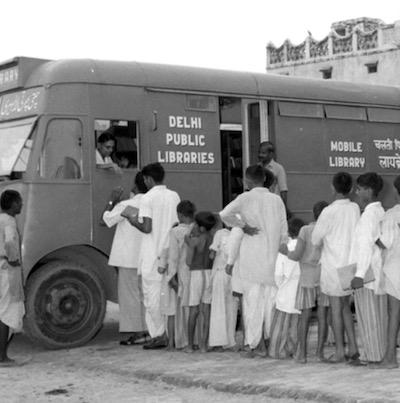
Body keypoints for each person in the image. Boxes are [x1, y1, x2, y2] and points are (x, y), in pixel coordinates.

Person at [220, 165, 287, 358]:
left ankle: (255, 345)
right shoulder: (276, 200)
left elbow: (224, 214)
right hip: (272, 259)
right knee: (270, 304)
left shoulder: (245, 197)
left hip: (252, 260)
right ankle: (270, 342)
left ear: (247, 181)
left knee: (252, 304)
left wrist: (243, 226)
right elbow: (284, 229)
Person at [125, 162, 180, 349]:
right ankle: (170, 333)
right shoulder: (174, 196)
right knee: (168, 295)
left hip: (152, 255)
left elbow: (147, 227)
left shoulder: (147, 198)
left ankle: (158, 334)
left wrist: (133, 221)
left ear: (148, 179)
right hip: (169, 252)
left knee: (151, 297)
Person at [312, 172, 360, 364]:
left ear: (333, 188)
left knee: (335, 309)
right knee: (346, 308)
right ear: (350, 188)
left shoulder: (329, 211)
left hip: (333, 264)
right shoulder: (355, 208)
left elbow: (316, 238)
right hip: (351, 264)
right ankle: (353, 347)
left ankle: (340, 350)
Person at [280, 201, 329, 363]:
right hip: (323, 277)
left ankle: (302, 354)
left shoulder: (306, 230)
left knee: (305, 316)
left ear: (313, 213)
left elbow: (296, 255)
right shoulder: (328, 230)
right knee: (323, 316)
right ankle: (320, 353)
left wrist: (286, 252)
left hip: (307, 277)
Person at [102, 172, 148, 346]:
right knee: (145, 295)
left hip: (128, 258)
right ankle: (150, 330)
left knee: (130, 297)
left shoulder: (126, 205)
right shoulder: (150, 204)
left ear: (135, 188)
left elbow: (105, 220)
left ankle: (138, 332)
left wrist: (112, 200)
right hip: (145, 257)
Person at [350, 172, 387, 365]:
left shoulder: (368, 216)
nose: (357, 192)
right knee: (379, 316)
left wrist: (359, 275)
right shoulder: (380, 212)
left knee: (368, 316)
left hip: (367, 274)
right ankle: (377, 353)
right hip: (378, 272)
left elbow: (365, 247)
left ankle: (372, 356)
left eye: (360, 189)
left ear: (369, 191)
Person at [371, 175, 400, 369]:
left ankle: (390, 357)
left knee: (394, 313)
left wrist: (372, 237)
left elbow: (384, 242)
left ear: (397, 191)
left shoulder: (392, 215)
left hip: (395, 269)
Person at [269, 217, 303, 359]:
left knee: (281, 324)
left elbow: (278, 274)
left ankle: (277, 350)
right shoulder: (303, 247)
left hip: (285, 288)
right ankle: (294, 350)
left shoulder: (285, 248)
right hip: (300, 289)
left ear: (288, 232)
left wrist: (280, 286)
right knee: (296, 323)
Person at [165, 200, 196, 350]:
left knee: (182, 308)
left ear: (180, 215)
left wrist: (171, 277)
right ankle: (196, 339)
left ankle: (183, 340)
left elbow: (173, 257)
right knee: (195, 306)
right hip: (197, 273)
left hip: (181, 272)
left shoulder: (175, 232)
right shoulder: (197, 229)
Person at [184, 212, 216, 353]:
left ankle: (190, 345)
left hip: (197, 274)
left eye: (196, 224)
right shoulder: (211, 237)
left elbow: (189, 257)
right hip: (208, 273)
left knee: (193, 310)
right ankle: (203, 345)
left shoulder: (198, 238)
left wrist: (187, 237)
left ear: (202, 227)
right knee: (206, 310)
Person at [0, 190, 25, 365]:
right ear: (13, 203)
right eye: (19, 202)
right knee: (7, 313)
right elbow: (9, 242)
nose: (21, 204)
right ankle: (2, 357)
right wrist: (14, 259)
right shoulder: (8, 222)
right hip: (8, 270)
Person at [209, 225, 237, 350]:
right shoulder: (239, 234)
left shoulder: (220, 233)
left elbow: (211, 254)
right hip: (233, 274)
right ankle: (229, 342)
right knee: (232, 308)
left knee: (219, 307)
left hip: (221, 272)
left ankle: (219, 342)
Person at [258, 141, 288, 205]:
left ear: (271, 154)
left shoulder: (278, 168)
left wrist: (283, 208)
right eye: (259, 152)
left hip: (273, 205)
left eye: (263, 153)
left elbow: (283, 191)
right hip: (259, 205)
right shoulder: (257, 168)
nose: (260, 155)